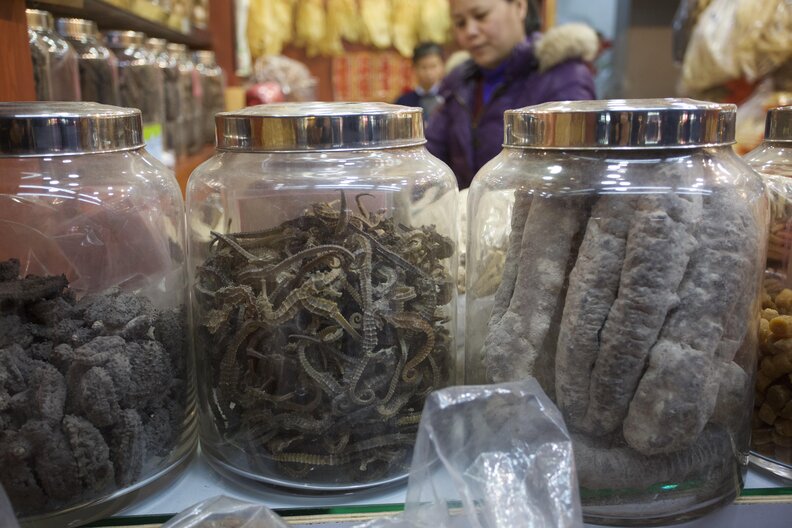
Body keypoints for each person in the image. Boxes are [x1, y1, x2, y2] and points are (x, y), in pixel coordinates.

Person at [426, 0, 598, 189]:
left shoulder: (564, 77)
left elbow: (572, 177)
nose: (470, 31)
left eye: (481, 16)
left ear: (520, 6)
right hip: (466, 215)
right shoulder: (459, 83)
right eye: (460, 23)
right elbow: (430, 158)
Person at [395, 42, 446, 122]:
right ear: (414, 68)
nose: (429, 72)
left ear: (442, 66)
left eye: (433, 66)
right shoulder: (403, 103)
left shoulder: (449, 98)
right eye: (424, 67)